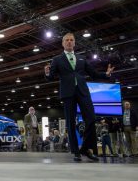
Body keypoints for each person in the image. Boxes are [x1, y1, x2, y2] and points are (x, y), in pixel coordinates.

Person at [44, 32, 115, 162]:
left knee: (91, 119)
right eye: (67, 40)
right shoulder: (57, 59)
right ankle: (76, 152)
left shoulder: (81, 58)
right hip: (68, 94)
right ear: (63, 43)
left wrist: (106, 74)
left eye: (72, 40)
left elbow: (93, 73)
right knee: (70, 123)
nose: (69, 42)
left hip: (83, 92)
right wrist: (47, 73)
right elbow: (51, 76)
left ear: (75, 43)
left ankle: (87, 149)